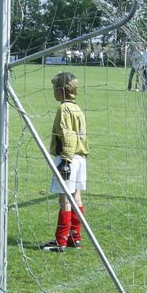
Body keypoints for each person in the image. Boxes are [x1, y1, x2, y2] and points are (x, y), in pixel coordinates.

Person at [40, 72, 89, 252]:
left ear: (61, 91)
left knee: (64, 199)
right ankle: (74, 238)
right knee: (76, 197)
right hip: (81, 158)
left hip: (68, 157)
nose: (53, 92)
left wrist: (66, 161)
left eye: (54, 89)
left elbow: (68, 135)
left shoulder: (64, 109)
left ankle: (60, 241)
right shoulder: (78, 109)